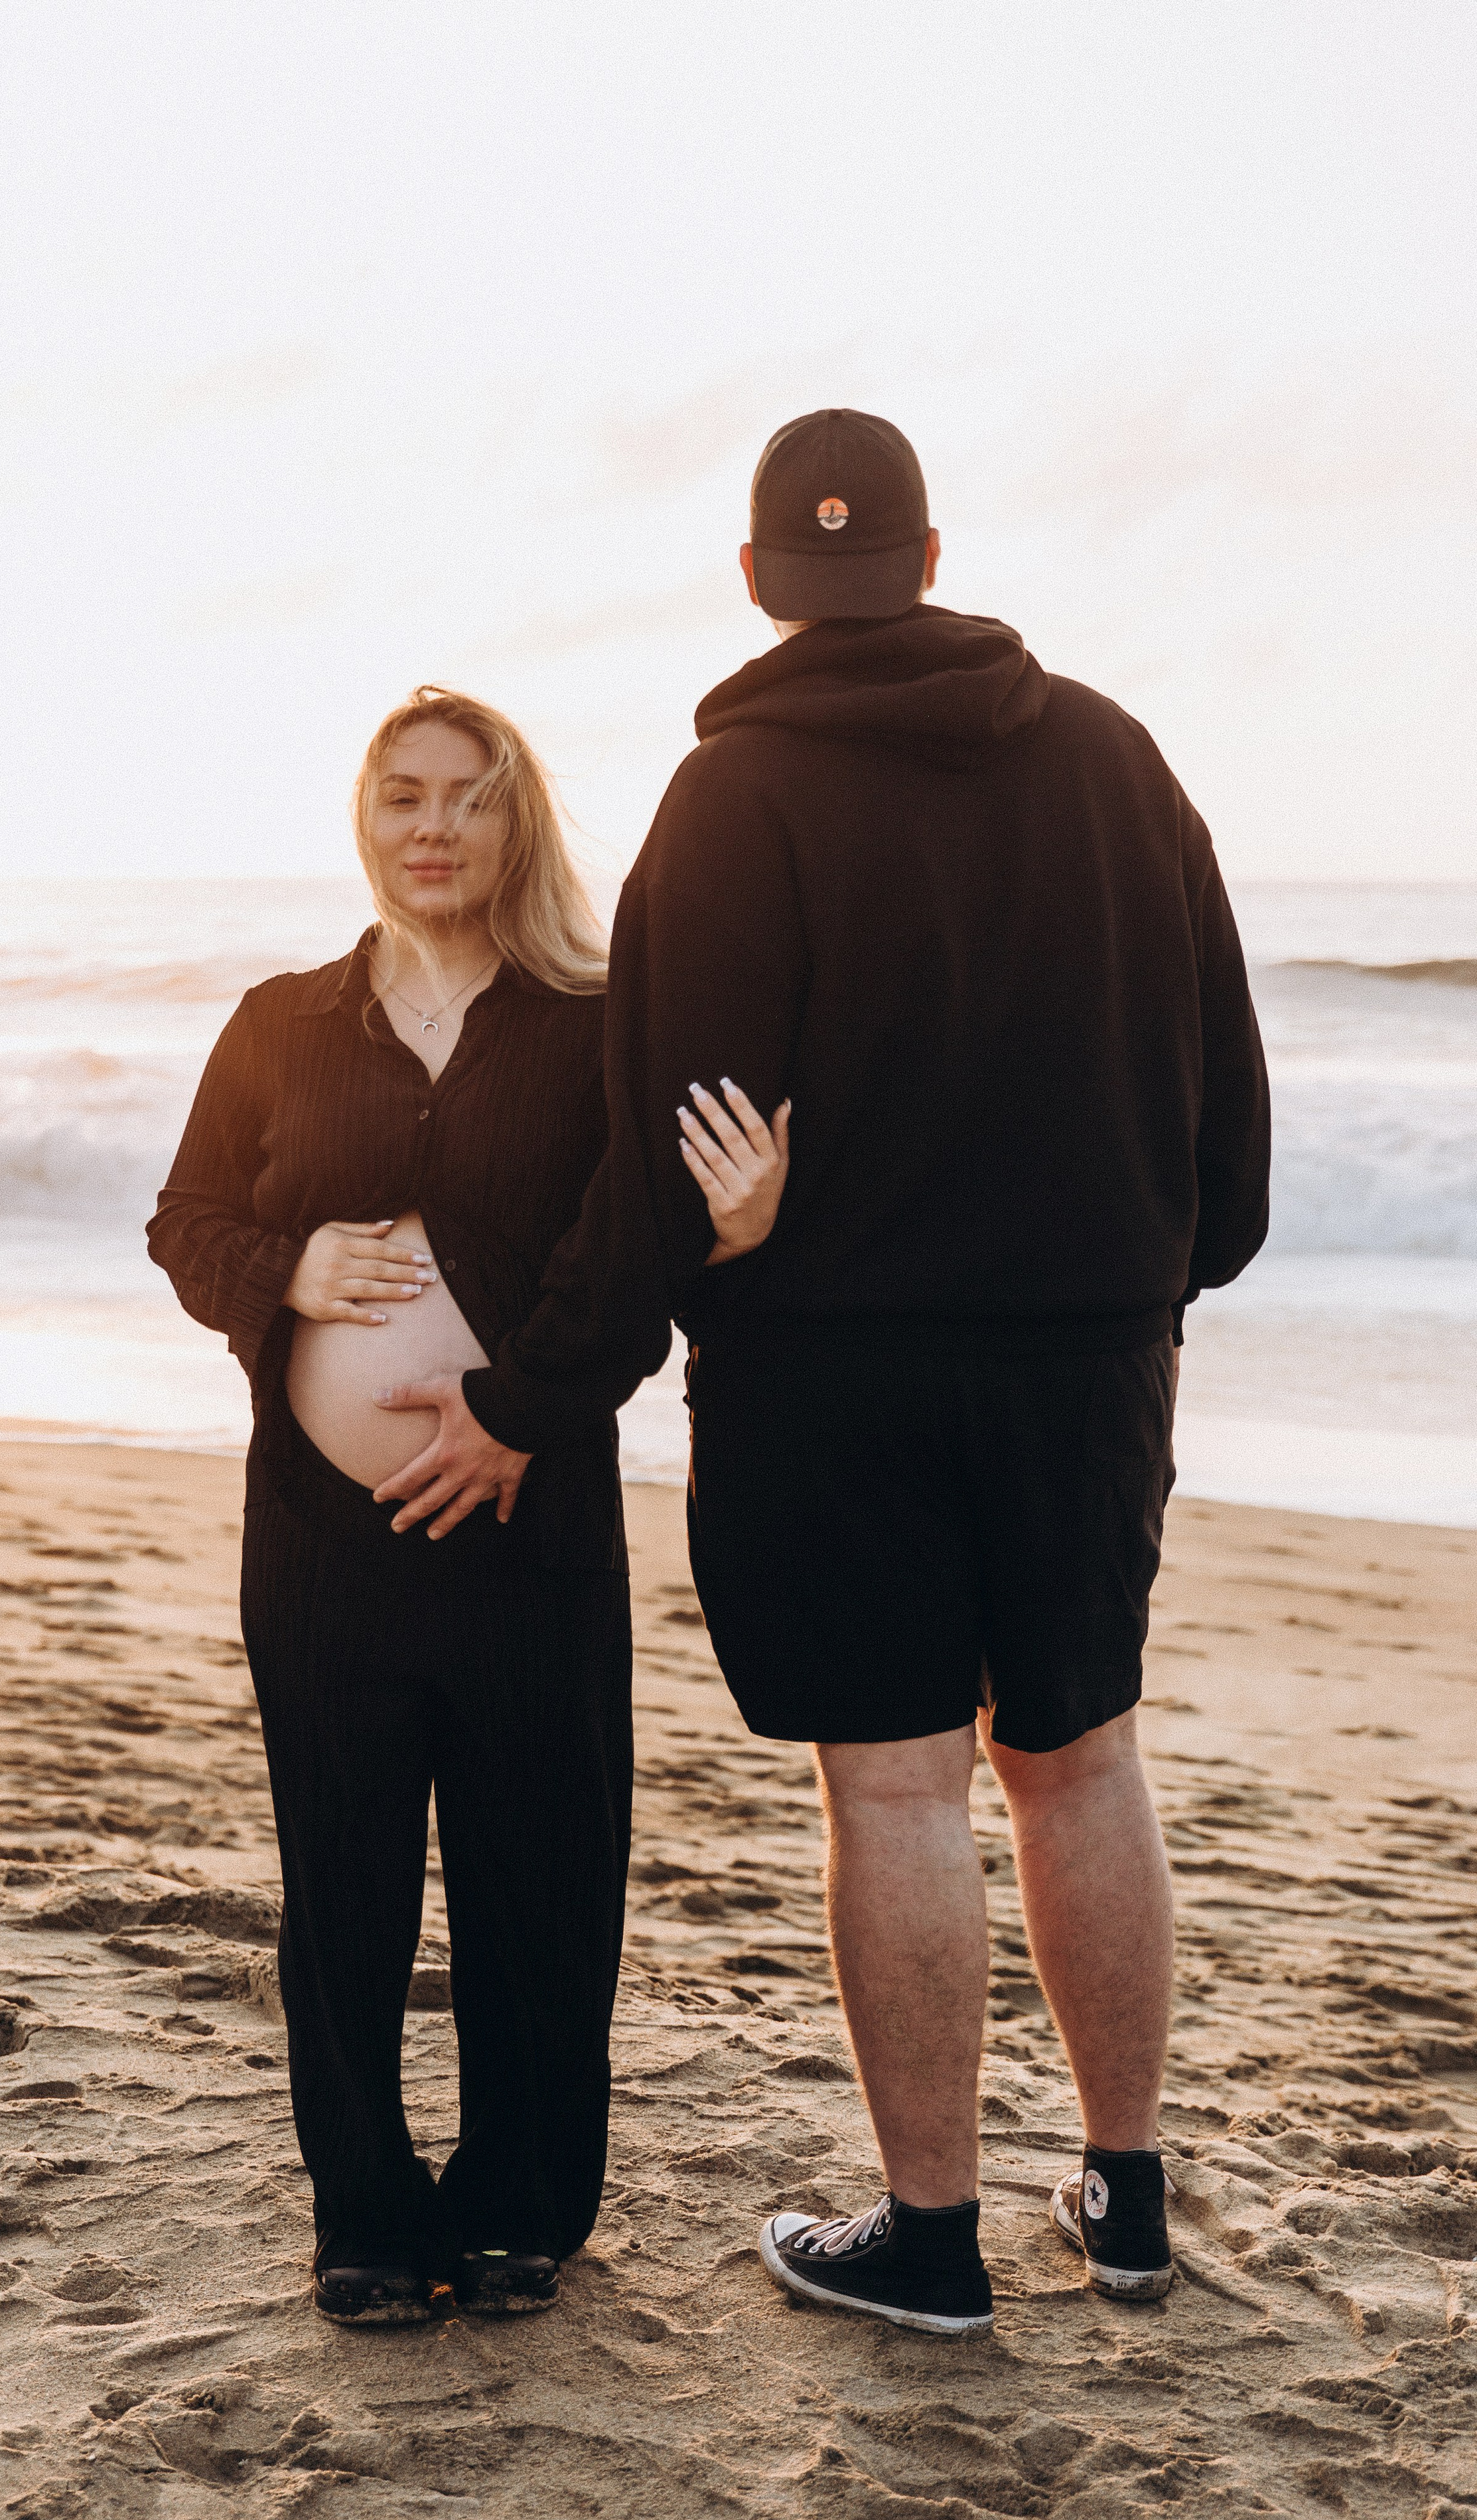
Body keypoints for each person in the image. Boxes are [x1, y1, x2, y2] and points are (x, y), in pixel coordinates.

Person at [370, 411, 1272, 2337]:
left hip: (836, 1378)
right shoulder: (1119, 760)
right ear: (933, 559)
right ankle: (1124, 2204)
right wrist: (1156, 1280)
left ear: (762, 581)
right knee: (1084, 1752)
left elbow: (662, 1164)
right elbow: (1229, 1094)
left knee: (897, 1790)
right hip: (1086, 1360)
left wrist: (530, 1399)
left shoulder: (735, 797)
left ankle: (932, 2242)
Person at [147, 686, 782, 2327]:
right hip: (318, 1542)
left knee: (538, 1884)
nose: (433, 828)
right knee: (341, 1888)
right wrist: (283, 1266)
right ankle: (363, 2217)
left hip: (528, 1526)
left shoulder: (591, 1023)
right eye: (405, 797)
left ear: (518, 825)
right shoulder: (279, 1021)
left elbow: (628, 1259)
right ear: (365, 820)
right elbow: (185, 1221)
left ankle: (517, 2212)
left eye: (470, 800)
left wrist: (512, 1417)